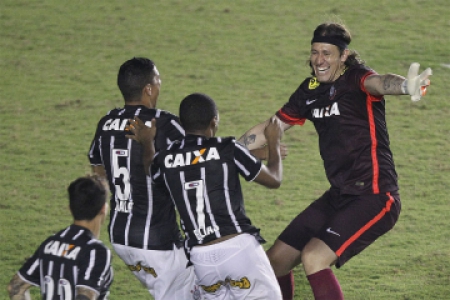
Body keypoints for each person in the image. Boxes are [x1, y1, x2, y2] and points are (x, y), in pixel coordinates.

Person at [238, 22, 432, 300]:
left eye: (327, 53)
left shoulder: (357, 79)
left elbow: (379, 82)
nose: (319, 59)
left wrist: (405, 85)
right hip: (339, 194)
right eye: (315, 52)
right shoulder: (311, 88)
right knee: (276, 261)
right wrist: (227, 150)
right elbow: (272, 126)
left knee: (314, 258)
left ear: (343, 55)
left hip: (374, 195)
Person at [126, 92, 284, 299]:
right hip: (237, 249)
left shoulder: (165, 159)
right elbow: (274, 179)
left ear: (183, 124)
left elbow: (150, 169)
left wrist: (147, 142)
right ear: (214, 121)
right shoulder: (227, 148)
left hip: (202, 260)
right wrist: (274, 142)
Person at [87, 57, 198, 299]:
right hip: (156, 241)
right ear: (148, 88)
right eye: (157, 80)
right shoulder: (165, 124)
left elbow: (98, 169)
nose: (160, 85)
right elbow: (200, 163)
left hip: (121, 236)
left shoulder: (106, 123)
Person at [7, 175, 113, 300]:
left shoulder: (50, 244)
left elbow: (15, 287)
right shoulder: (96, 251)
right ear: (103, 209)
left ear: (70, 208)